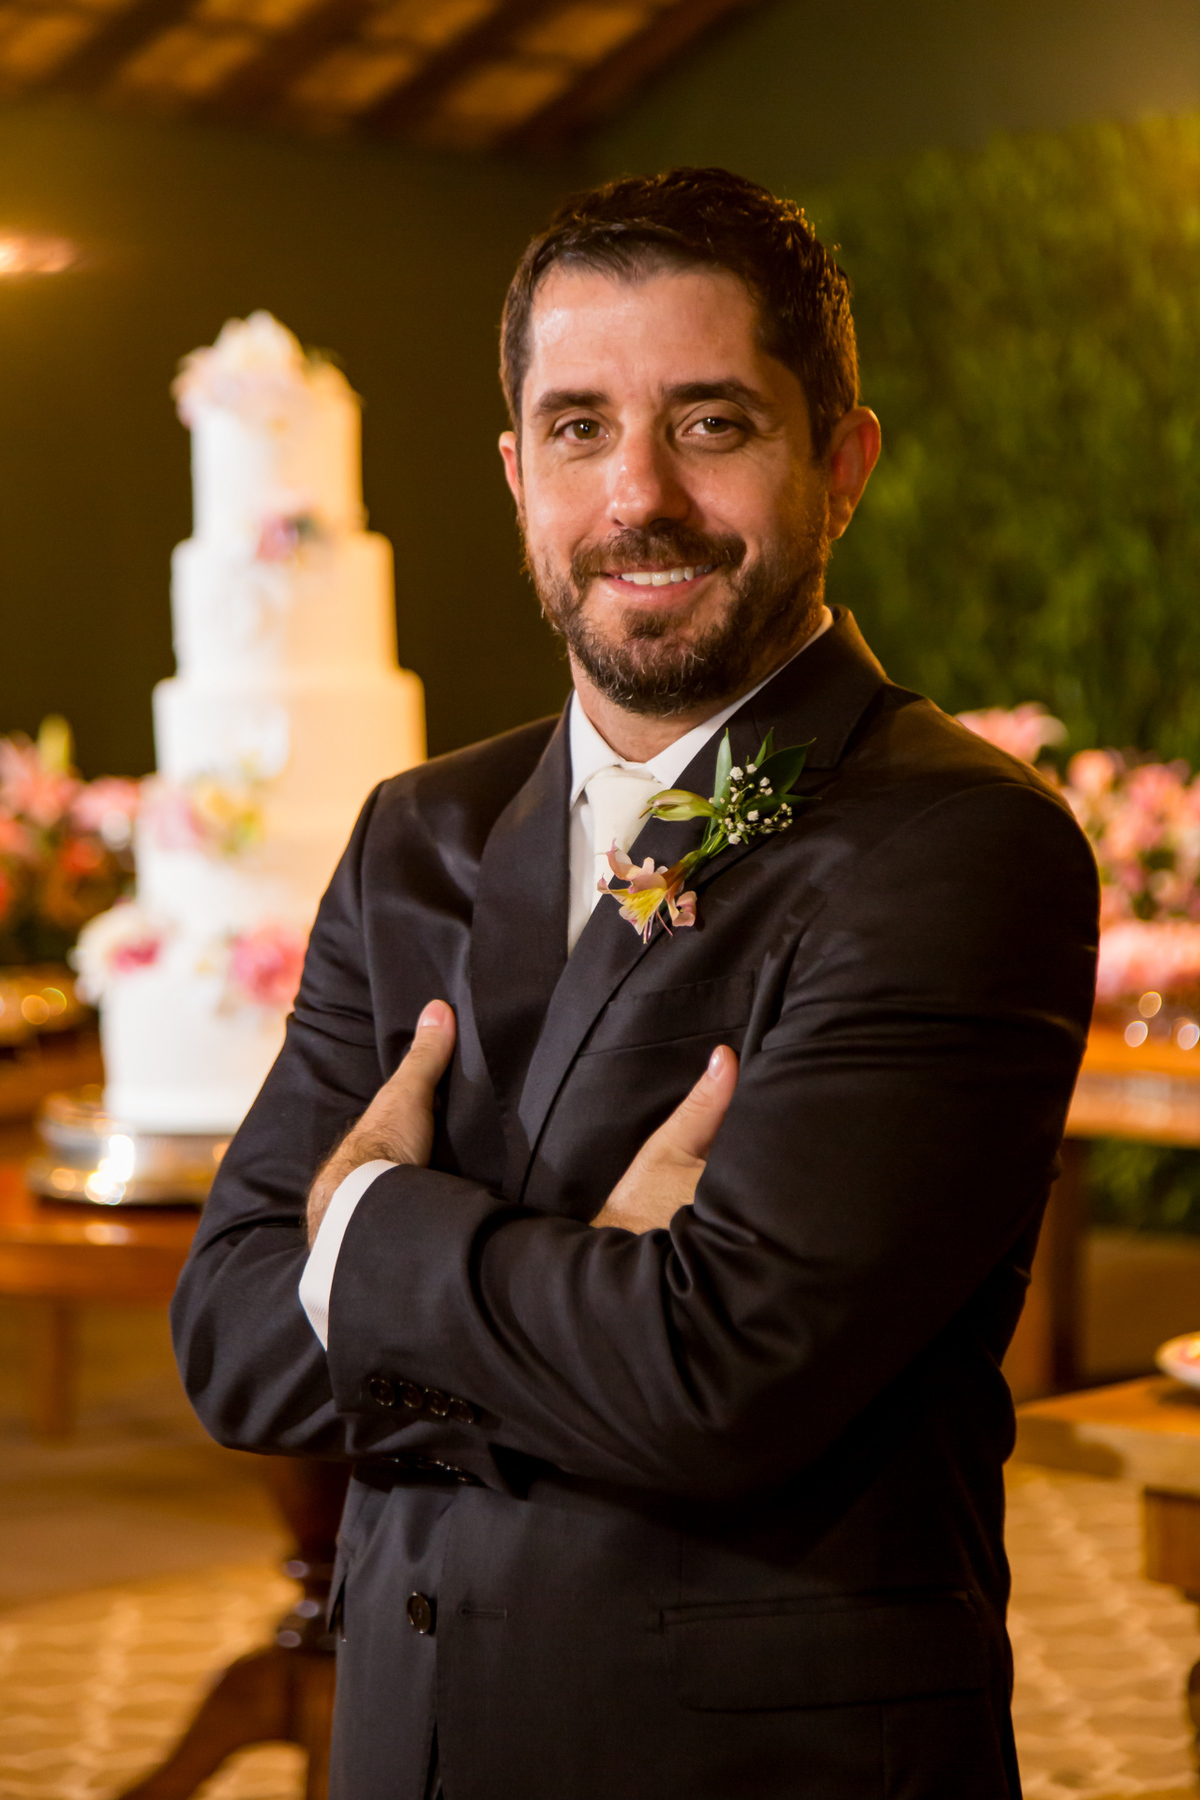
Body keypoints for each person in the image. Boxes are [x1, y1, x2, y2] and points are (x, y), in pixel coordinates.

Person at [172, 167, 1099, 1799]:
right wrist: (580, 1285)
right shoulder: (420, 832)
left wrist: (374, 1231)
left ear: (844, 462)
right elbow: (236, 1340)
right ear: (520, 474)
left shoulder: (956, 848)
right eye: (584, 428)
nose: (639, 495)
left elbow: (717, 1378)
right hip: (414, 1750)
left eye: (715, 423)